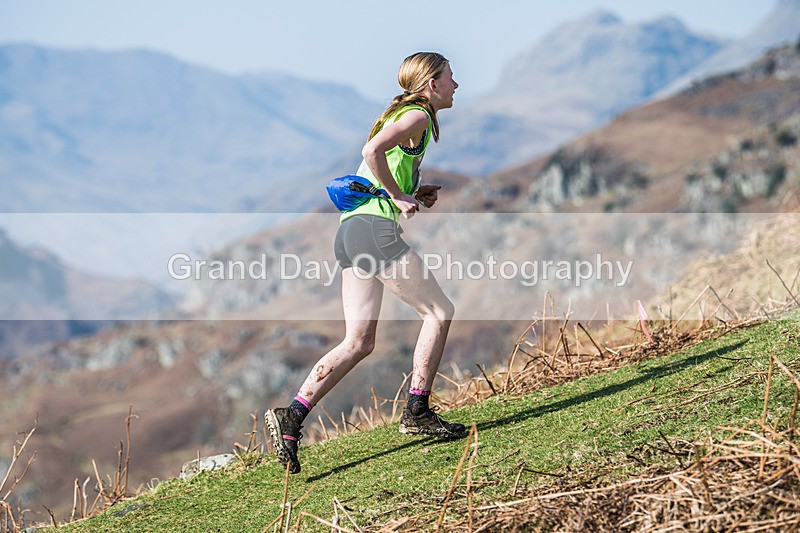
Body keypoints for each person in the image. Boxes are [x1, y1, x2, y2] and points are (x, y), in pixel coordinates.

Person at [265, 52, 465, 474]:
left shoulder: (405, 116)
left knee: (359, 342)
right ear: (431, 83)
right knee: (439, 311)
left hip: (350, 233)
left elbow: (379, 166)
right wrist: (396, 197)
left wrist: (413, 189)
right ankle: (417, 411)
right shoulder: (419, 117)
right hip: (374, 232)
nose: (456, 85)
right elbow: (371, 151)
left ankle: (292, 418)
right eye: (450, 77)